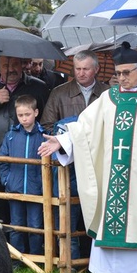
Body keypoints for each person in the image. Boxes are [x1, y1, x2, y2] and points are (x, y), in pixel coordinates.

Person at [38, 41, 137, 273]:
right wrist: (63, 139)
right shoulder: (109, 97)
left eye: (126, 73)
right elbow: (85, 128)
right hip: (113, 175)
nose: (121, 78)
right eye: (117, 73)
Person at [40, 50, 109, 260]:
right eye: (77, 69)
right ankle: (69, 258)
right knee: (69, 210)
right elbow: (47, 125)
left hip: (98, 163)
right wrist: (66, 137)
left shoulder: (108, 94)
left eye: (86, 69)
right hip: (68, 165)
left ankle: (95, 258)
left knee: (98, 207)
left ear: (96, 69)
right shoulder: (59, 93)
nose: (81, 73)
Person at [0, 55, 49, 224]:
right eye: (6, 65)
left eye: (15, 64)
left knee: (24, 210)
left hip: (27, 161)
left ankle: (23, 249)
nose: (11, 69)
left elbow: (46, 120)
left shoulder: (37, 87)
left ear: (22, 64)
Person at [0, 95, 46, 257]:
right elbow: (2, 160)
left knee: (35, 225)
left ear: (36, 112)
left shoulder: (44, 136)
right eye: (20, 115)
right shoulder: (11, 135)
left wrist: (42, 184)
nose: (24, 119)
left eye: (27, 114)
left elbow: (49, 164)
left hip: (35, 189)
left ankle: (37, 256)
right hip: (15, 188)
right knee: (16, 224)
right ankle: (17, 258)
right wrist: (7, 180)